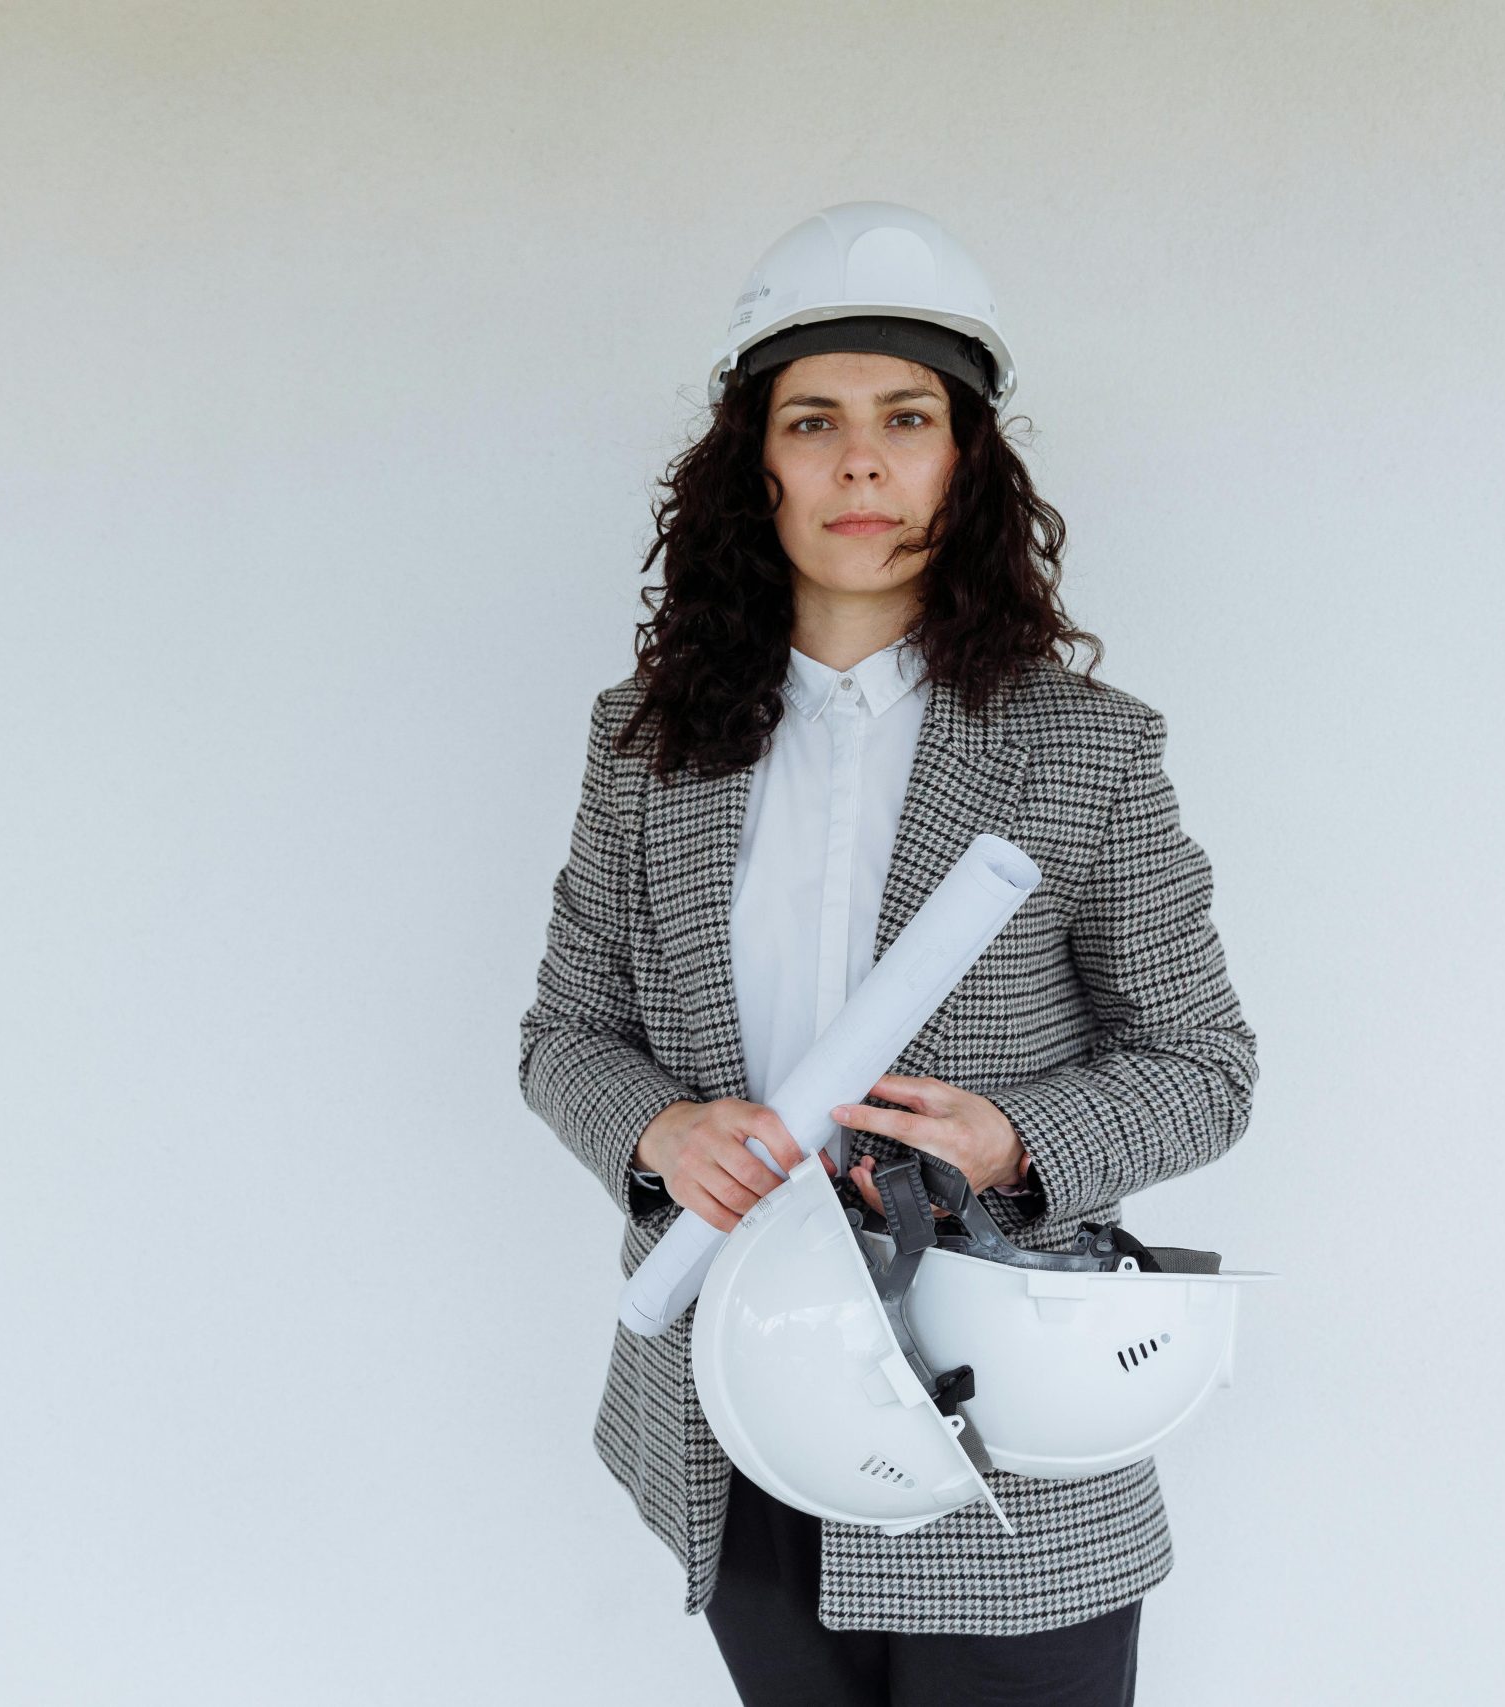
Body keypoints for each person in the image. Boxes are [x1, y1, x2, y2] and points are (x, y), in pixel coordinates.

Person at [517, 203, 1258, 1706]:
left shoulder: (1085, 750)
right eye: (815, 421)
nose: (861, 463)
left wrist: (1011, 1140)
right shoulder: (649, 745)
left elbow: (1206, 1069)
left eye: (906, 418)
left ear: (964, 463)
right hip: (736, 1405)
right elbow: (565, 1032)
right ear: (757, 468)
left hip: (1005, 1435)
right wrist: (658, 1131)